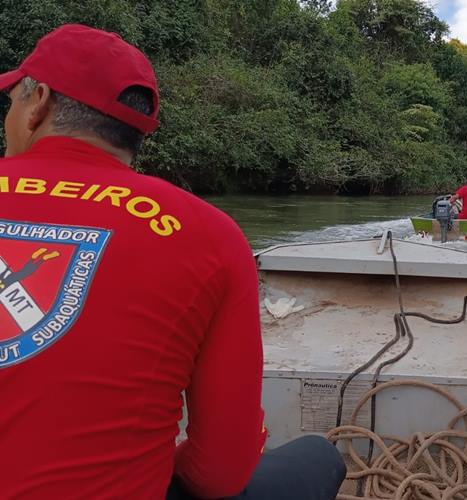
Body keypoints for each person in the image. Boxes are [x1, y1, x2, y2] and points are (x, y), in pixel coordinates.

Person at [0, 25, 345, 500]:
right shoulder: (209, 235)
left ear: (37, 101)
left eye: (10, 102)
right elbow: (219, 472)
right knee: (319, 456)